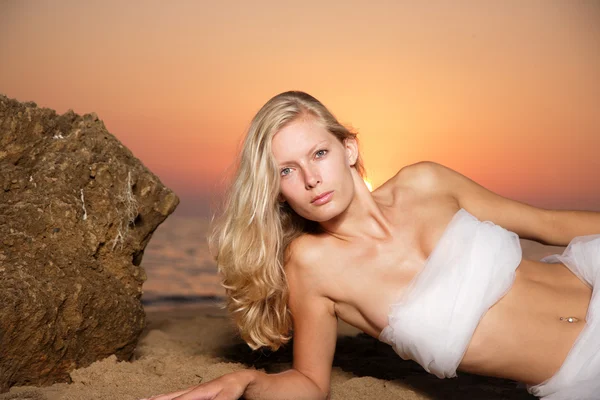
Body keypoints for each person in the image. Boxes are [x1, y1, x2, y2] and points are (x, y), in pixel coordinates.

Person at [143, 91, 600, 400]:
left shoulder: (426, 183)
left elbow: (551, 223)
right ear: (275, 188)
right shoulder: (312, 266)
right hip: (582, 377)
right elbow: (310, 382)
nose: (310, 179)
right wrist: (248, 381)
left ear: (349, 150)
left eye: (318, 154)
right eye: (286, 170)